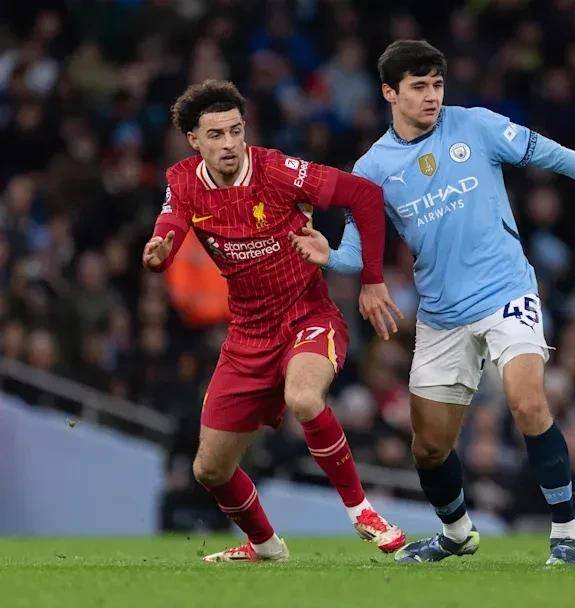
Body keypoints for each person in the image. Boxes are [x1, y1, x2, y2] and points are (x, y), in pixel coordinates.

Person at [288, 39, 575, 566]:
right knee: (429, 447)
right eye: (418, 87)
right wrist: (330, 256)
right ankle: (456, 534)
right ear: (389, 93)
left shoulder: (475, 126)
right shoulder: (372, 169)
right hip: (440, 316)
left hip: (506, 292)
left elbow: (558, 157)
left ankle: (565, 534)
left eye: (437, 85)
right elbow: (359, 254)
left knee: (528, 401)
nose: (432, 96)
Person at [142, 79, 406, 563]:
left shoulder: (278, 171)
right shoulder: (182, 180)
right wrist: (158, 252)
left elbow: (365, 195)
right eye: (216, 134)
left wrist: (371, 280)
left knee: (303, 397)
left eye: (235, 131)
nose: (229, 143)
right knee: (209, 469)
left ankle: (362, 512)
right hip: (247, 335)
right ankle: (265, 546)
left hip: (308, 316)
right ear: (194, 140)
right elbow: (170, 228)